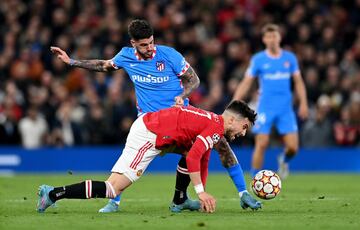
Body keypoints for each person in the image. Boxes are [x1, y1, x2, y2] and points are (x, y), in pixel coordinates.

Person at [51, 19, 260, 213]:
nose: (150, 48)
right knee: (178, 154)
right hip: (152, 124)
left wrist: (183, 95)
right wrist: (72, 62)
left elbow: (193, 80)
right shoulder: (125, 56)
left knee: (212, 147)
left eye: (151, 42)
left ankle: (199, 197)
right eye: (144, 45)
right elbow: (104, 65)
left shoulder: (169, 55)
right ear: (133, 43)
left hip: (180, 119)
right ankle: (114, 199)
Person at [36, 100, 257, 214]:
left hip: (155, 129)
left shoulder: (213, 123)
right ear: (233, 120)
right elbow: (194, 159)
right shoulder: (216, 127)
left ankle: (179, 200)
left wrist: (202, 194)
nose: (244, 132)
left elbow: (201, 159)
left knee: (191, 153)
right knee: (113, 188)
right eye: (244, 126)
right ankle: (53, 194)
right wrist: (201, 192)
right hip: (149, 135)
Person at [233, 24, 308, 179]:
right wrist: (235, 101)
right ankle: (255, 179)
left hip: (285, 109)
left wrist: (303, 103)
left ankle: (284, 160)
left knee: (293, 148)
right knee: (262, 142)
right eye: (269, 37)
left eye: (275, 36)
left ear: (279, 38)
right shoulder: (258, 60)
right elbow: (247, 82)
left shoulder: (290, 58)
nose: (272, 39)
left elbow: (299, 82)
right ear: (264, 40)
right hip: (266, 107)